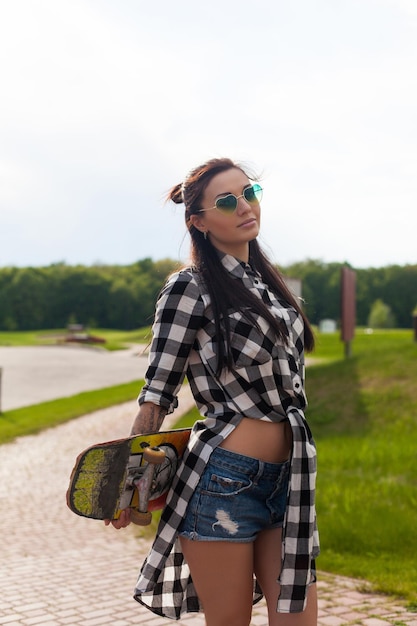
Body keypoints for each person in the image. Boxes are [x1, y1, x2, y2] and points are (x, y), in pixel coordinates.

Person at [107, 157, 319, 625]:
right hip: (224, 482)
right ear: (199, 222)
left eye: (250, 192)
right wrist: (130, 486)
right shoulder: (190, 288)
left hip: (290, 478)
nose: (245, 206)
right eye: (227, 201)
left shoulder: (269, 284)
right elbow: (158, 392)